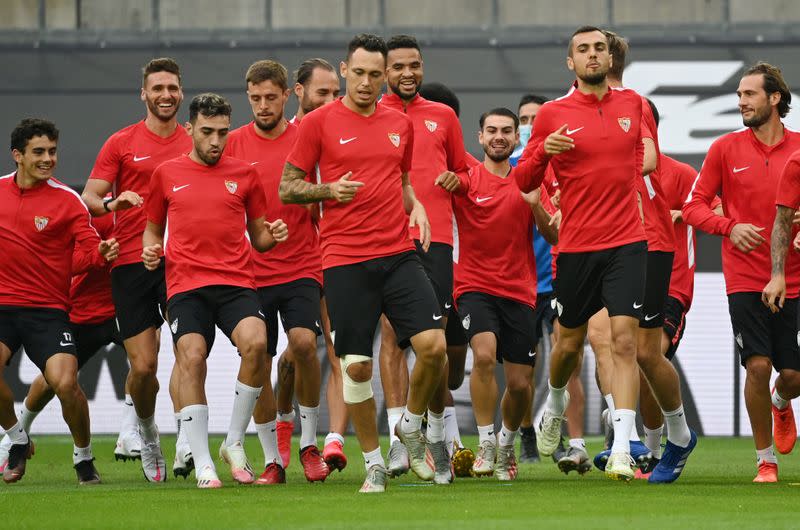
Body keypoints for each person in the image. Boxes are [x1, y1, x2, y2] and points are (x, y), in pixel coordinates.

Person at [280, 33, 446, 493]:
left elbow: (404, 179)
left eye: (377, 74)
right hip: (346, 261)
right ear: (345, 70)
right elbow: (287, 187)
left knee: (432, 346)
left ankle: (409, 428)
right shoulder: (318, 123)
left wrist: (416, 205)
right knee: (355, 367)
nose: (368, 82)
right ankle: (373, 463)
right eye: (361, 73)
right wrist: (327, 190)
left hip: (398, 253)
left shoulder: (400, 124)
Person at [523, 26, 658, 483]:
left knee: (624, 343)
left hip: (627, 241)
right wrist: (543, 150)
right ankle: (556, 401)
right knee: (567, 346)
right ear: (571, 63)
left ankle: (621, 446)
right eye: (583, 49)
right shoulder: (551, 115)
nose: (593, 55)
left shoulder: (634, 104)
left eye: (599, 47)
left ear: (609, 56)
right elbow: (523, 181)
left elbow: (645, 157)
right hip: (577, 246)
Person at [142, 93, 288, 489]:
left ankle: (234, 442)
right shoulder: (165, 174)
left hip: (237, 282)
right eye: (207, 132)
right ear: (189, 129)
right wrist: (149, 248)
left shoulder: (245, 173)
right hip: (186, 285)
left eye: (223, 132)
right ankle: (204, 463)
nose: (216, 141)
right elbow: (153, 227)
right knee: (192, 358)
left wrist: (271, 236)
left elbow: (258, 237)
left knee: (258, 346)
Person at [686, 62, 800, 483]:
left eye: (749, 94)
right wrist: (729, 227)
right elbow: (695, 205)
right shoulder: (724, 149)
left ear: (774, 98)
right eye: (738, 95)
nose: (741, 102)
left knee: (792, 375)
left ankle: (782, 401)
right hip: (745, 278)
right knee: (757, 366)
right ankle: (765, 460)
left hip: (795, 277)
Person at [81, 57, 193, 481]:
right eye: (157, 88)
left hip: (181, 262)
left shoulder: (195, 141)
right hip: (130, 264)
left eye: (172, 88)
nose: (166, 95)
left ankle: (188, 440)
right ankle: (147, 433)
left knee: (190, 352)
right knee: (143, 368)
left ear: (181, 92)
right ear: (143, 94)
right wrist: (113, 203)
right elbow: (90, 196)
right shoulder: (121, 142)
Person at [439, 107, 556, 480]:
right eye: (492, 130)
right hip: (473, 287)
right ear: (480, 137)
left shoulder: (528, 181)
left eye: (507, 130)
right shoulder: (466, 180)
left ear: (516, 138)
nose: (499, 136)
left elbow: (554, 236)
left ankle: (507, 444)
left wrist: (536, 204)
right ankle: (487, 441)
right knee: (485, 356)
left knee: (521, 384)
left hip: (521, 291)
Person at [0, 118, 119, 484]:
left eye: (52, 151)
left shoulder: (67, 200)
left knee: (65, 384)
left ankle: (83, 456)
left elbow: (86, 255)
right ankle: (18, 439)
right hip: (4, 307)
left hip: (49, 311)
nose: (48, 158)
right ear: (18, 155)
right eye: (39, 152)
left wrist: (100, 253)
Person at [226, 60, 328, 484]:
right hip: (249, 272)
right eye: (255, 98)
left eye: (271, 97)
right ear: (247, 96)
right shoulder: (231, 144)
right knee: (260, 359)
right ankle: (273, 459)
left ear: (288, 95)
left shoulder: (308, 135)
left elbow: (326, 191)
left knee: (304, 344)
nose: (264, 105)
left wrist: (313, 202)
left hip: (303, 263)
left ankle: (307, 444)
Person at [377, 34, 469, 484]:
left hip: (437, 242)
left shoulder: (443, 116)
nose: (408, 73)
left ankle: (432, 435)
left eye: (414, 65)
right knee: (393, 334)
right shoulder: (371, 114)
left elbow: (465, 172)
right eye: (399, 67)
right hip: (384, 238)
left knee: (433, 342)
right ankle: (399, 441)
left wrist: (459, 180)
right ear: (384, 71)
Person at [0, 212, 128, 469]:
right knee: (55, 381)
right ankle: (15, 435)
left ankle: (134, 432)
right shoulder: (85, 211)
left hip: (126, 307)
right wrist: (98, 255)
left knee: (147, 360)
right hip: (84, 310)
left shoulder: (149, 207)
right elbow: (67, 263)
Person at [273, 56, 347, 473]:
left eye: (336, 92)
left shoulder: (344, 131)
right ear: (298, 92)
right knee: (294, 354)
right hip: (291, 258)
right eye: (323, 92)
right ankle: (284, 425)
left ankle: (330, 441)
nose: (332, 99)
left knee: (339, 352)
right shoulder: (281, 136)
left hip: (336, 254)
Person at [417, 81, 477, 477]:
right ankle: (443, 441)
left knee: (453, 370)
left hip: (465, 279)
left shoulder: (466, 168)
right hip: (423, 265)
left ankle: (433, 427)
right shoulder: (406, 168)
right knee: (429, 351)